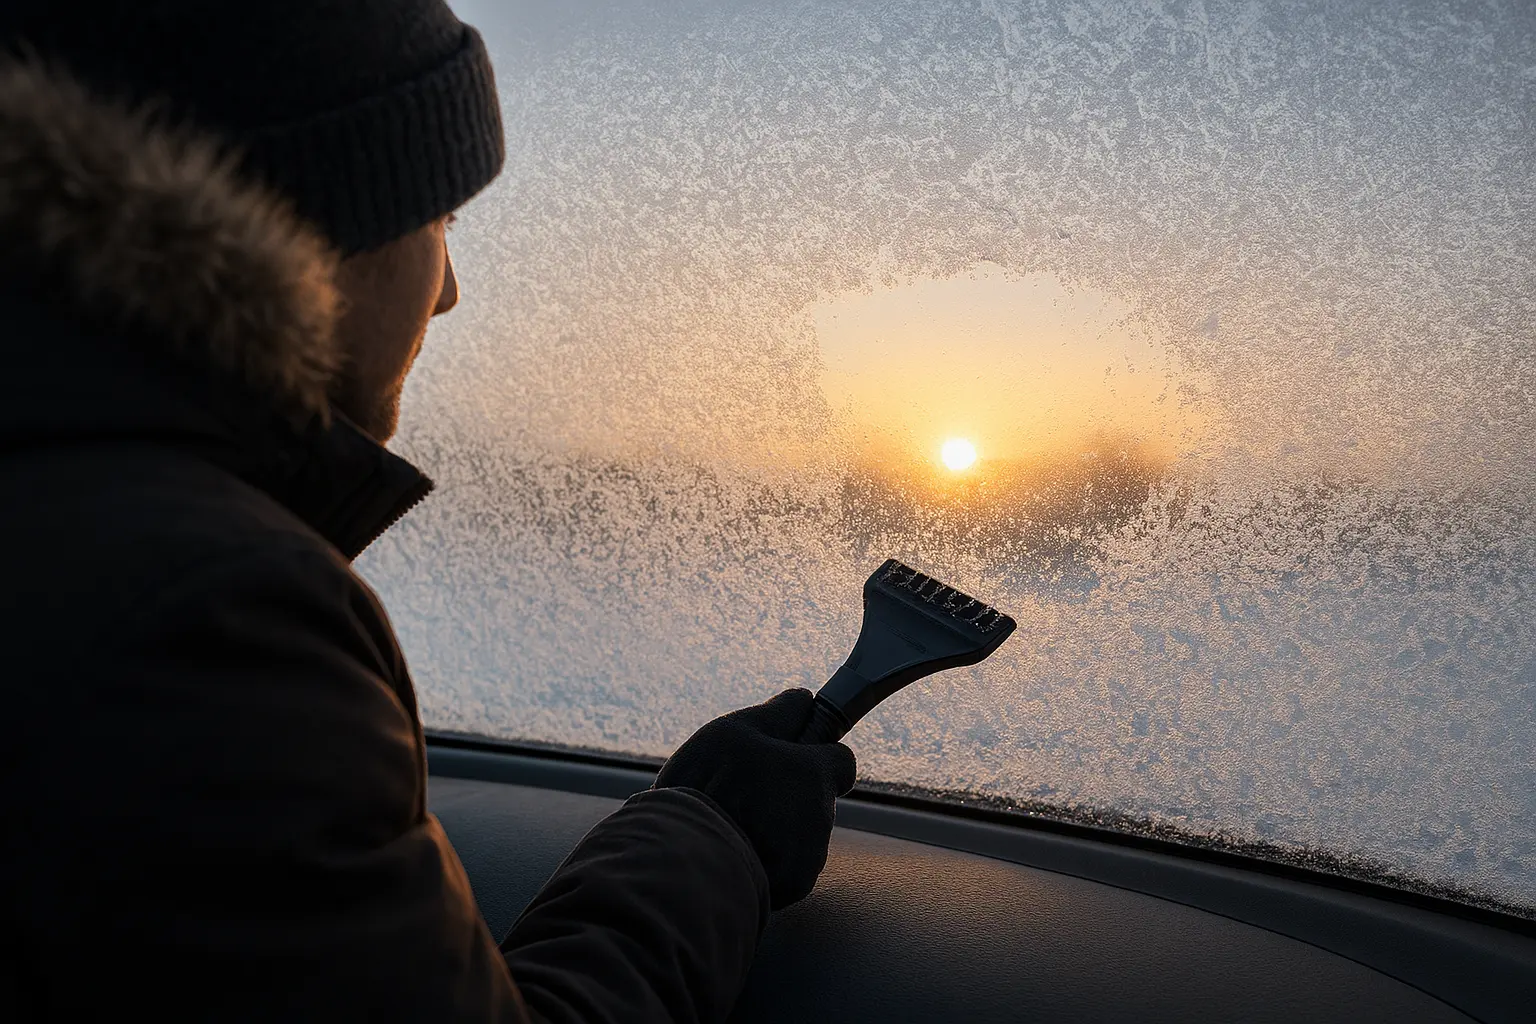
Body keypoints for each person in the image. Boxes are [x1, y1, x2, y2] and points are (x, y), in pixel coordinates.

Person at [0, 2, 856, 1020]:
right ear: (319, 225)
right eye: (443, 219)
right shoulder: (203, 623)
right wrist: (713, 837)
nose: (448, 292)